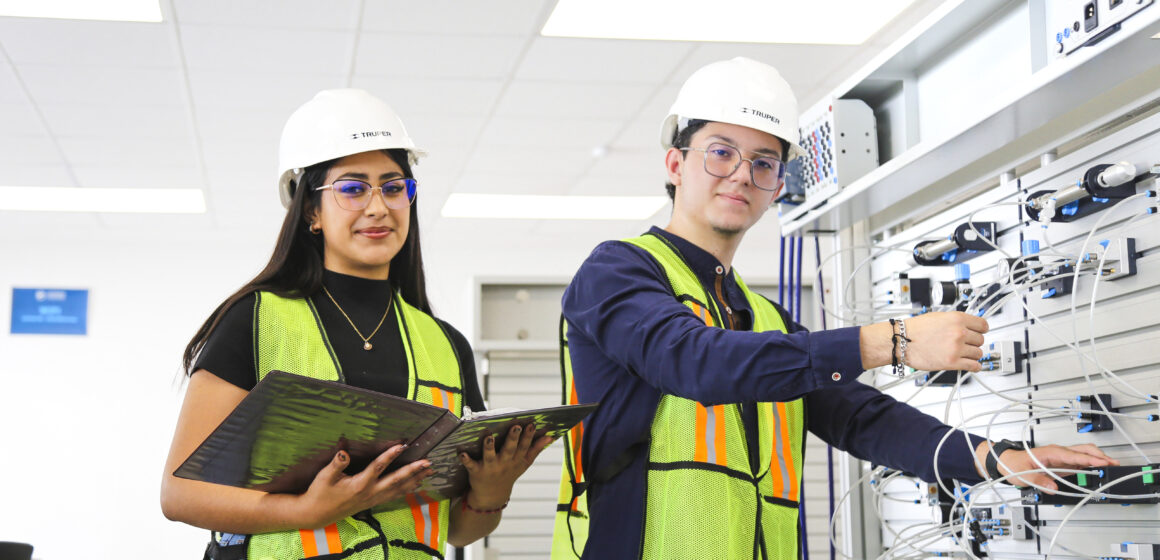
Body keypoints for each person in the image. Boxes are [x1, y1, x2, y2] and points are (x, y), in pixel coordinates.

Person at [550, 57, 1118, 559]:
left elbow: (859, 416)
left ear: (775, 187)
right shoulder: (617, 272)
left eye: (764, 163)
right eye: (720, 153)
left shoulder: (764, 319)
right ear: (676, 164)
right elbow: (694, 362)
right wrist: (892, 341)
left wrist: (994, 459)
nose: (742, 175)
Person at [162, 89, 553, 560]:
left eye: (393, 187)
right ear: (311, 210)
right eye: (352, 188)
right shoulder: (256, 319)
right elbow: (180, 494)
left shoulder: (447, 345)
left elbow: (458, 533)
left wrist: (493, 488)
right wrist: (306, 511)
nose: (378, 207)